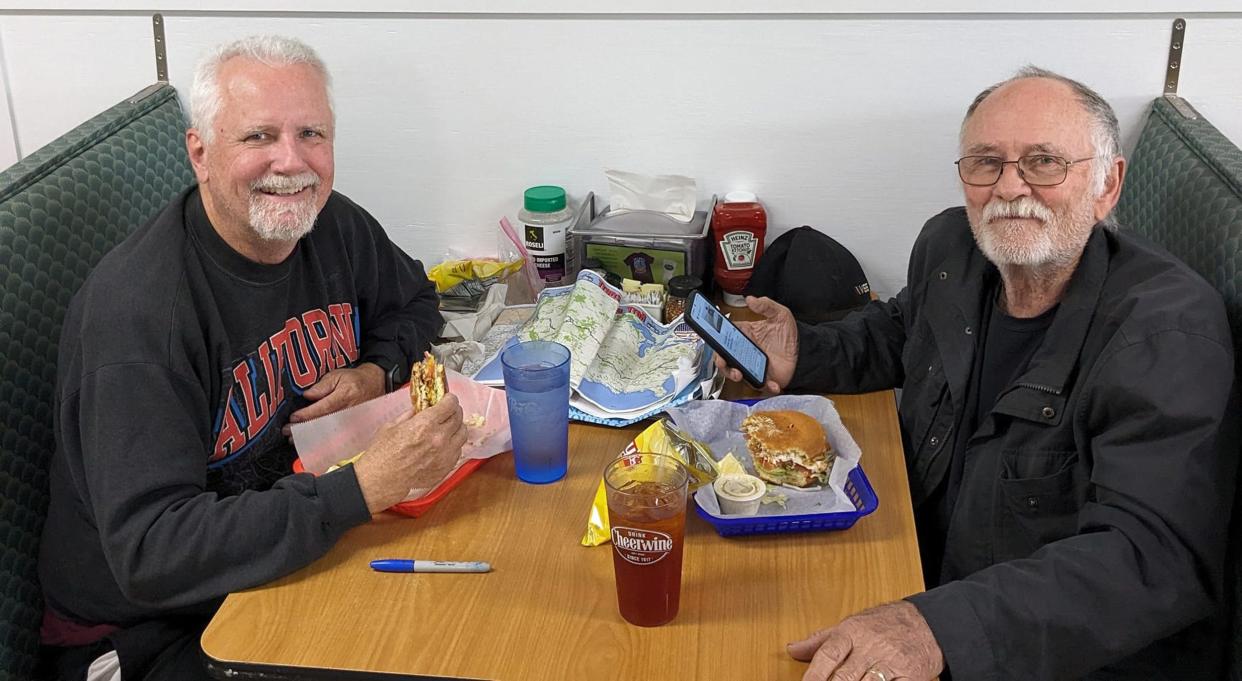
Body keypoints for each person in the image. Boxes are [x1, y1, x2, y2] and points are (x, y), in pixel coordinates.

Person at [719, 67, 1237, 680]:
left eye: (1044, 162)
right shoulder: (954, 248)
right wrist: (802, 352)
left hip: (1025, 648)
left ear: (1106, 185)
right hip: (907, 559)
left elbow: (1147, 558)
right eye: (985, 162)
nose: (1009, 187)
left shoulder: (1164, 334)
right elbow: (900, 331)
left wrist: (935, 627)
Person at [38, 35, 467, 681]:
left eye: (311, 134)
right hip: (148, 631)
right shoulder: (139, 316)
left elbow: (412, 303)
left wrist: (372, 371)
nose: (290, 162)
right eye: (258, 136)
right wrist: (362, 487)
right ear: (200, 153)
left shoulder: (330, 223)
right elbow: (152, 551)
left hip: (280, 554)